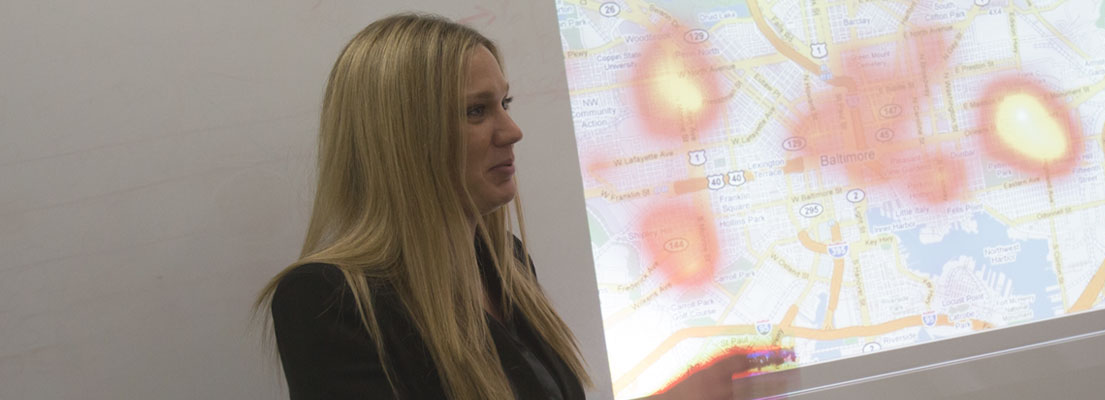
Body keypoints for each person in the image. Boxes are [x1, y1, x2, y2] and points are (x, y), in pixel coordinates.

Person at [254, 13, 760, 399]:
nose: (511, 131)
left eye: (505, 104)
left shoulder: (503, 262)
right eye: (476, 111)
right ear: (403, 137)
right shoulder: (328, 300)